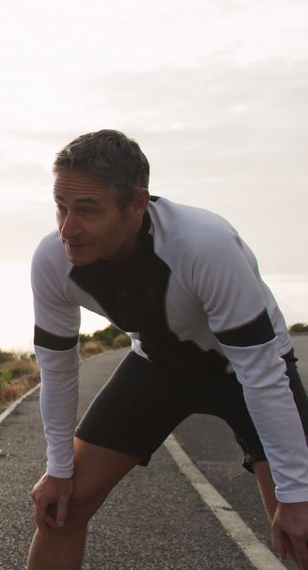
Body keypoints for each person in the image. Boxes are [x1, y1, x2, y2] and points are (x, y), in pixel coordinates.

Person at [27, 129, 308, 569]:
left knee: (301, 524)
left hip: (244, 370)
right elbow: (58, 369)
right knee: (62, 509)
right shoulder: (52, 260)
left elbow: (262, 373)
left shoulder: (204, 245)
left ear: (137, 204)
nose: (68, 228)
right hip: (157, 367)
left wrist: (295, 494)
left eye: (87, 210)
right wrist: (58, 469)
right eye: (60, 206)